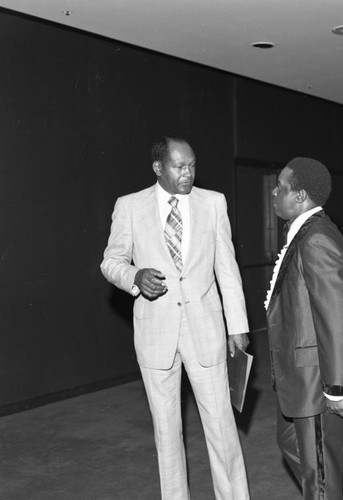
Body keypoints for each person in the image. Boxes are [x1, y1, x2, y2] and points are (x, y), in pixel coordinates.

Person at [101, 137, 250, 500]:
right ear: (158, 168)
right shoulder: (130, 206)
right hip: (156, 336)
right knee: (167, 435)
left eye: (192, 165)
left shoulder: (213, 203)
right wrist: (134, 277)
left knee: (222, 430)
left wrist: (238, 327)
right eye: (179, 166)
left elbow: (226, 269)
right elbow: (111, 261)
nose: (188, 173)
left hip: (207, 333)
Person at [264, 157, 343, 500]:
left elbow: (336, 317)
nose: (274, 192)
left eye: (281, 186)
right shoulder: (303, 231)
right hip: (300, 377)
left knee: (319, 479)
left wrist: (337, 387)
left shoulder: (316, 239)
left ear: (300, 196)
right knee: (293, 445)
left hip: (318, 380)